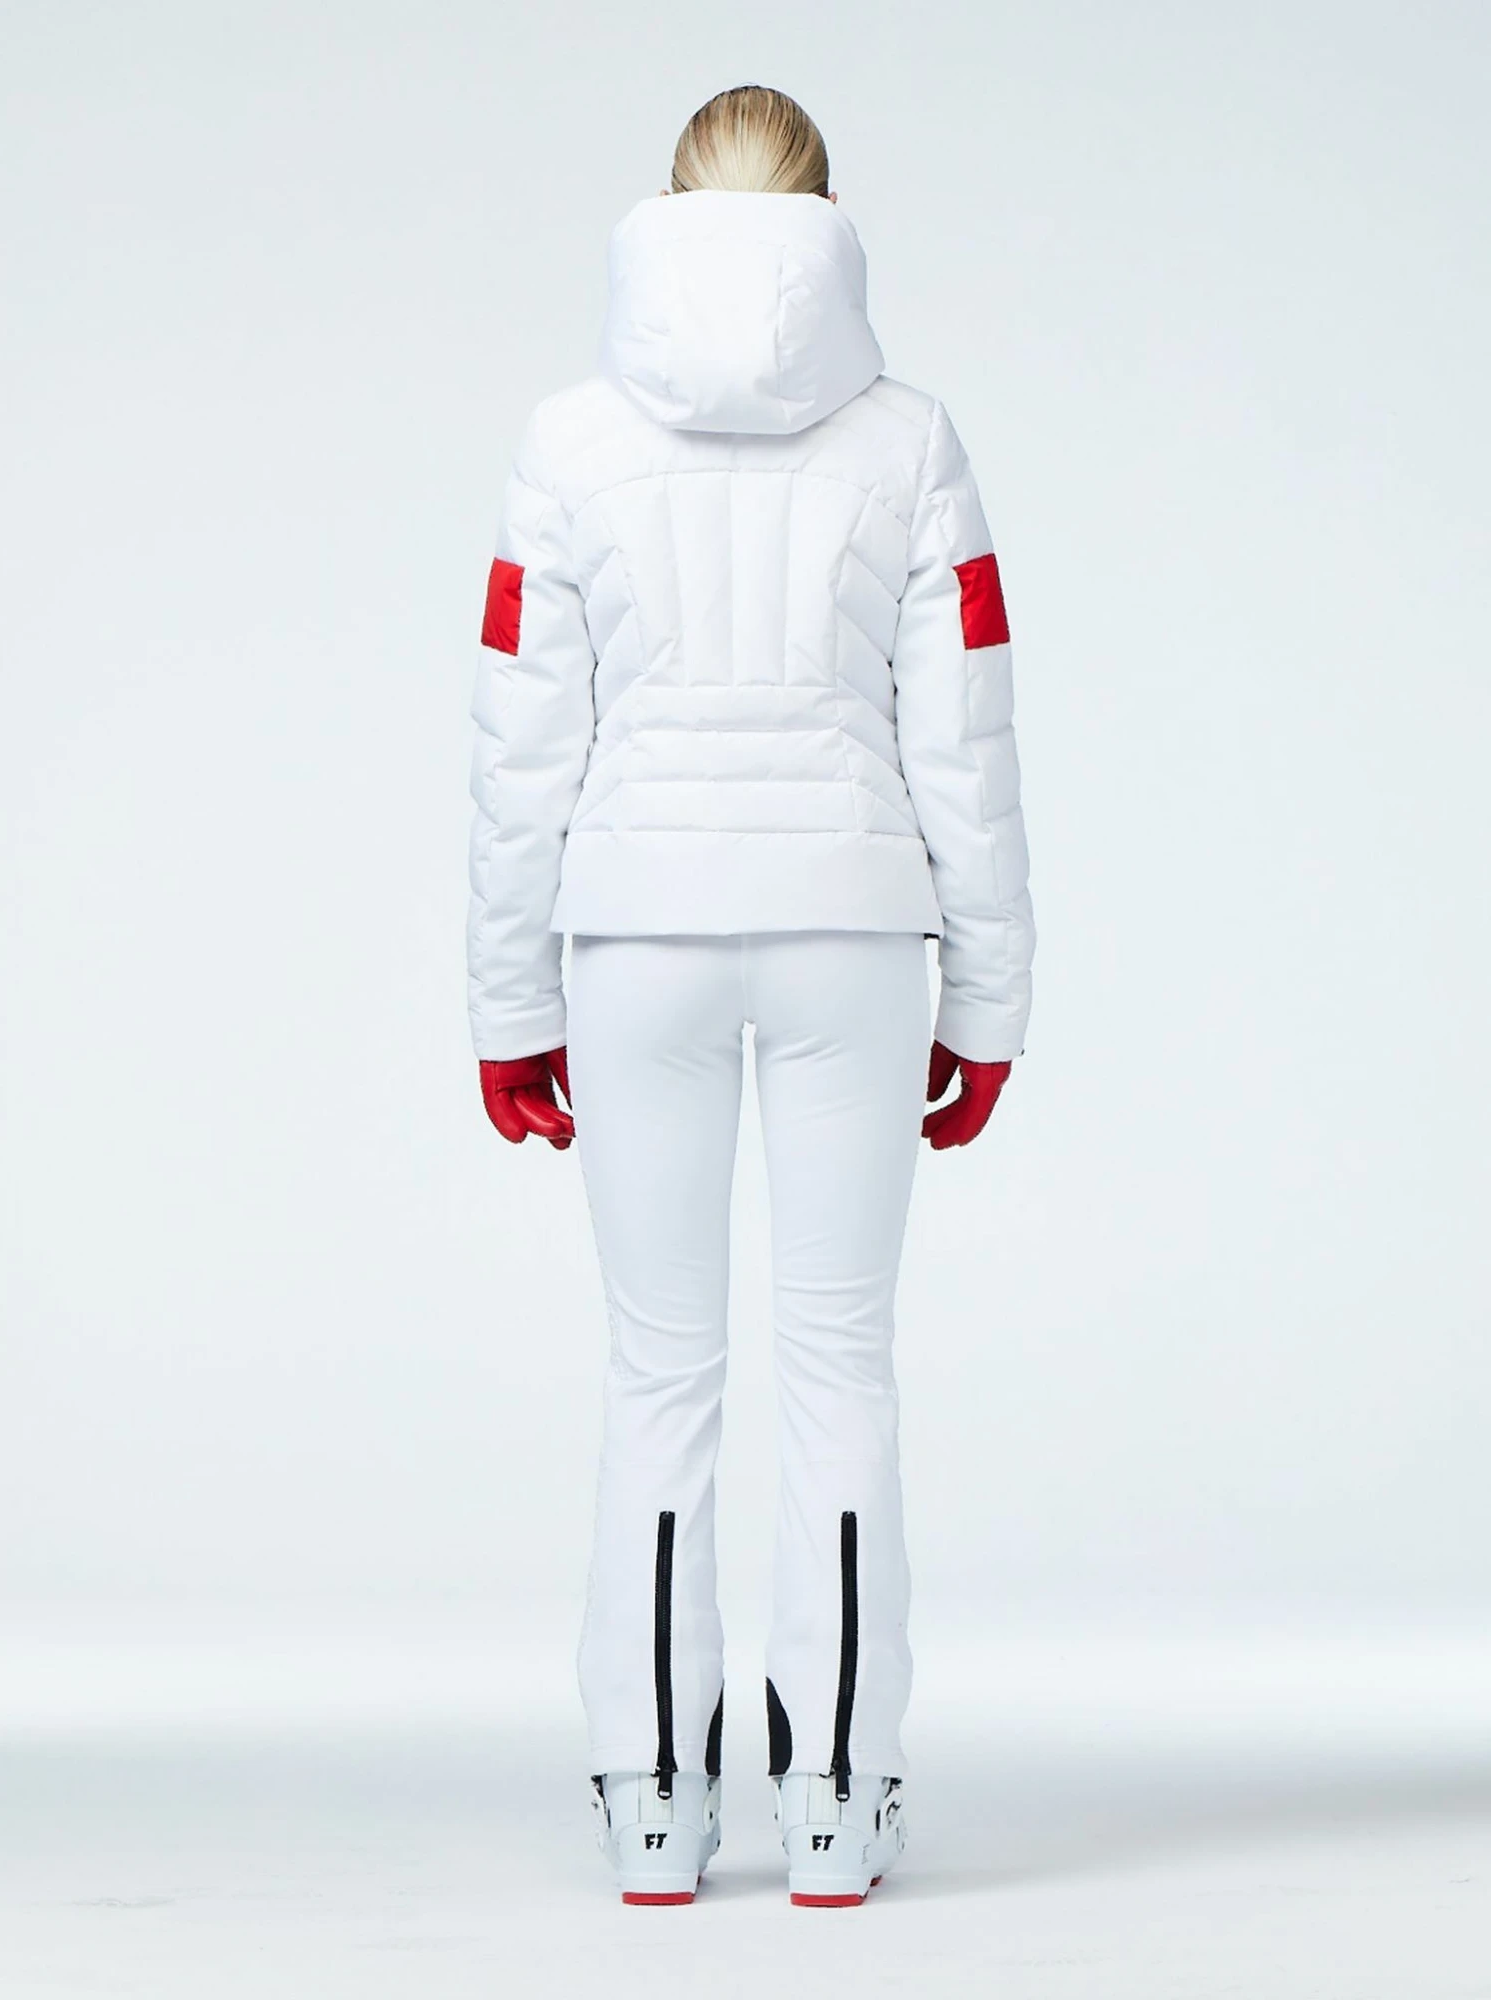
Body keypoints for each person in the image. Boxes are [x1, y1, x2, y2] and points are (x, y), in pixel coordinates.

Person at [467, 84, 1034, 1907]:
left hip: (632, 932)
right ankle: (839, 1815)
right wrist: (990, 1004)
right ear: (826, 225)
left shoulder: (565, 443)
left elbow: (521, 749)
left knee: (661, 1368)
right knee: (840, 1361)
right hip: (854, 933)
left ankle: (653, 1807)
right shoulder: (911, 440)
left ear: (664, 214)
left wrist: (506, 1005)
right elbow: (967, 743)